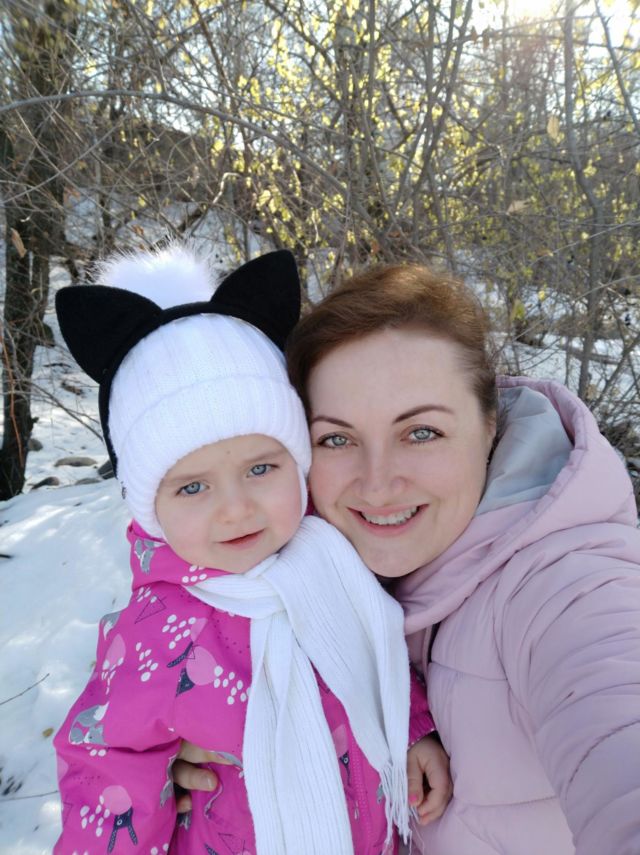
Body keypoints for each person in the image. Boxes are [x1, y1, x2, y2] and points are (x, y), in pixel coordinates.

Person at [176, 261, 640, 855]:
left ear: (489, 425)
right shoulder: (302, 578)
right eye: (336, 438)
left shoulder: (569, 584)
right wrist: (172, 755)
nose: (378, 484)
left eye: (421, 432)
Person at [52, 246, 451, 855]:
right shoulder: (154, 635)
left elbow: (374, 657)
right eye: (193, 487)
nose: (236, 509)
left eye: (261, 469)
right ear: (149, 507)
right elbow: (105, 772)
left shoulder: (333, 560)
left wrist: (412, 728)